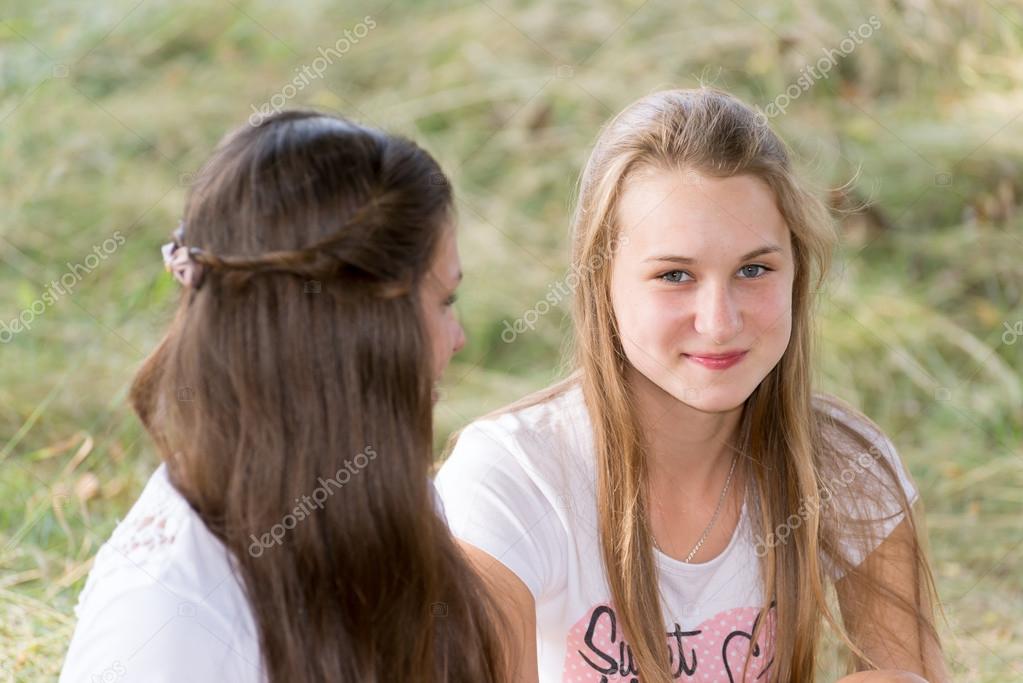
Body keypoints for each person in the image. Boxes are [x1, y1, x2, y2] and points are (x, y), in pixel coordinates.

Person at [435, 88, 950, 682]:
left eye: (753, 270)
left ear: (797, 272)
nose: (720, 321)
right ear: (602, 283)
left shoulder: (845, 463)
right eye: (675, 275)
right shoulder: (513, 475)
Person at [60, 110, 506, 683]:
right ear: (356, 334)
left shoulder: (384, 495)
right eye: (443, 302)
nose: (458, 337)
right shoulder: (168, 628)